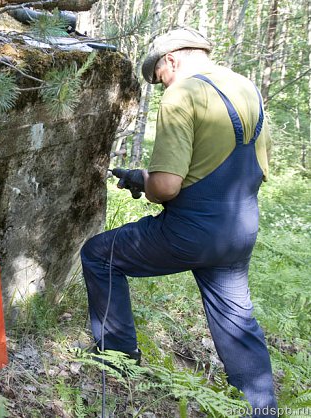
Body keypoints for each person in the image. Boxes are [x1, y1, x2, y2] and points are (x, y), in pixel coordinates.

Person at [81, 27, 278, 416]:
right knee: (237, 320)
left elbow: (168, 186)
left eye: (159, 78)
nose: (162, 85)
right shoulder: (246, 87)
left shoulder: (182, 93)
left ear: (171, 60)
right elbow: (247, 164)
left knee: (99, 254)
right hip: (239, 227)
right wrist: (143, 176)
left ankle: (117, 359)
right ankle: (262, 408)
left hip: (191, 229)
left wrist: (149, 183)